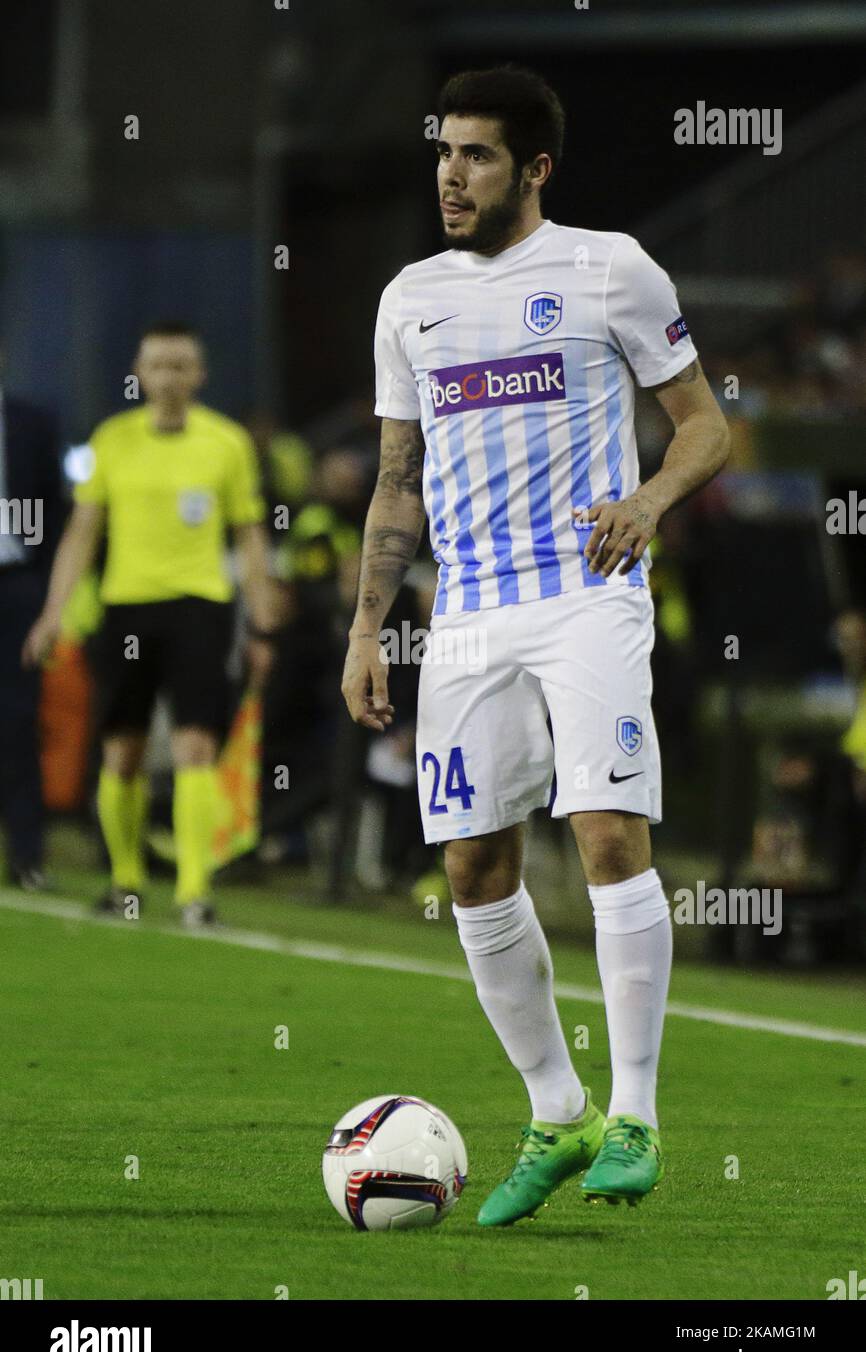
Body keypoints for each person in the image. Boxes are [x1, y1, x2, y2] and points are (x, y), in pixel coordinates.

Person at [342, 66, 729, 1224]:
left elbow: (706, 423)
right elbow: (396, 479)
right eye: (443, 153)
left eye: (476, 156)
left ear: (534, 169)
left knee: (608, 831)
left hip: (588, 592)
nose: (450, 175)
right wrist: (369, 628)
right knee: (470, 869)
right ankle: (556, 1111)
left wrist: (650, 500)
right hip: (463, 615)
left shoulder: (610, 268)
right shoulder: (408, 297)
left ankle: (637, 1116)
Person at [23, 322, 278, 927]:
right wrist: (53, 613)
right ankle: (126, 883)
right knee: (123, 752)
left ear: (200, 375)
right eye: (158, 365)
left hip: (200, 606)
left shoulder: (226, 443)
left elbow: (248, 533)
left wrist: (263, 619)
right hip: (126, 606)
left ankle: (195, 892)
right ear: (140, 373)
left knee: (196, 744)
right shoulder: (112, 440)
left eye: (181, 365)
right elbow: (82, 533)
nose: (169, 377)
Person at [0, 360, 63, 888]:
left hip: (16, 584)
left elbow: (51, 510)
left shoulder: (32, 423)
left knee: (19, 720)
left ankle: (26, 857)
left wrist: (45, 595)